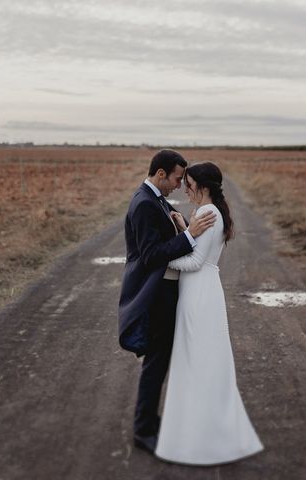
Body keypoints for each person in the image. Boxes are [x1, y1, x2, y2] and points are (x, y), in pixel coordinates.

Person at [155, 162, 264, 465]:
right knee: (199, 360)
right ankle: (202, 432)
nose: (185, 188)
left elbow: (194, 262)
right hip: (202, 290)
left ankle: (203, 439)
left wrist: (159, 262)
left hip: (198, 293)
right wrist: (182, 229)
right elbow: (198, 251)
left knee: (198, 362)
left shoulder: (207, 213)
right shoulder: (212, 212)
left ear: (202, 186)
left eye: (188, 183)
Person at [118, 149, 217, 454]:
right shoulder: (145, 204)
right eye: (176, 178)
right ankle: (143, 429)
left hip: (165, 292)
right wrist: (190, 236)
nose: (179, 184)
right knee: (155, 363)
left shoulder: (156, 200)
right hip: (156, 294)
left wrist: (183, 227)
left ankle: (150, 420)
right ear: (160, 174)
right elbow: (151, 256)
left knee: (160, 362)